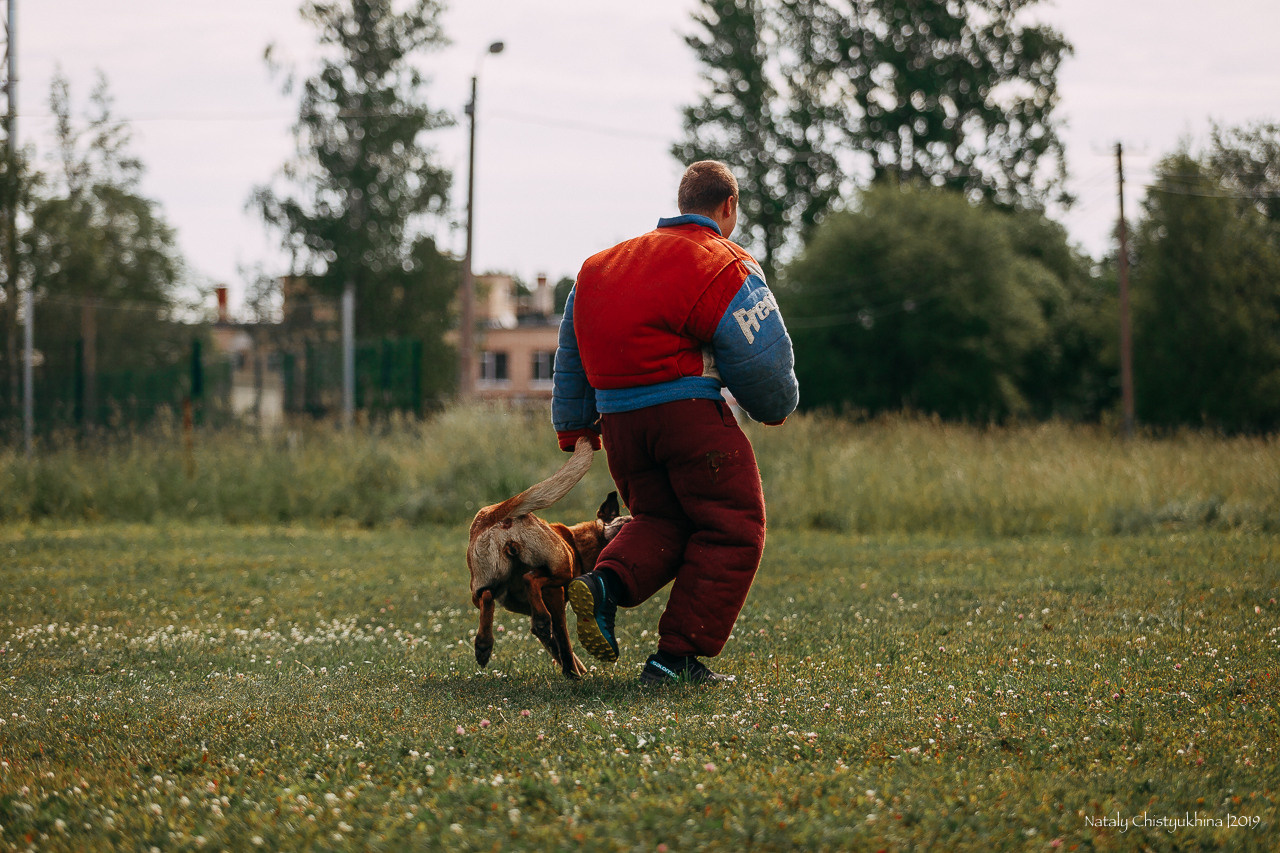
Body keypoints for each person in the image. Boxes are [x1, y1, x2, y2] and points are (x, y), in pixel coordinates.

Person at [551, 160, 799, 686]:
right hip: (687, 418)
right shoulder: (723, 262)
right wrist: (775, 405)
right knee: (735, 527)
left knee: (663, 519)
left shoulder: (599, 267)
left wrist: (575, 425)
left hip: (621, 428)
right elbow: (763, 357)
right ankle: (676, 658)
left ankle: (603, 588)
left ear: (681, 199)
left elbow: (569, 350)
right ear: (727, 206)